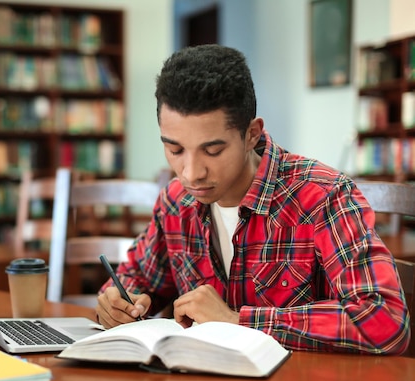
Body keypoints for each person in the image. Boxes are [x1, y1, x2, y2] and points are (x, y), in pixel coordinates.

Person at [95, 44, 410, 354]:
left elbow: (385, 320)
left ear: (252, 134)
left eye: (213, 150)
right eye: (175, 150)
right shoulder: (175, 202)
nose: (191, 173)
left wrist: (238, 322)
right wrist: (120, 300)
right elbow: (135, 279)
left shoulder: (323, 196)